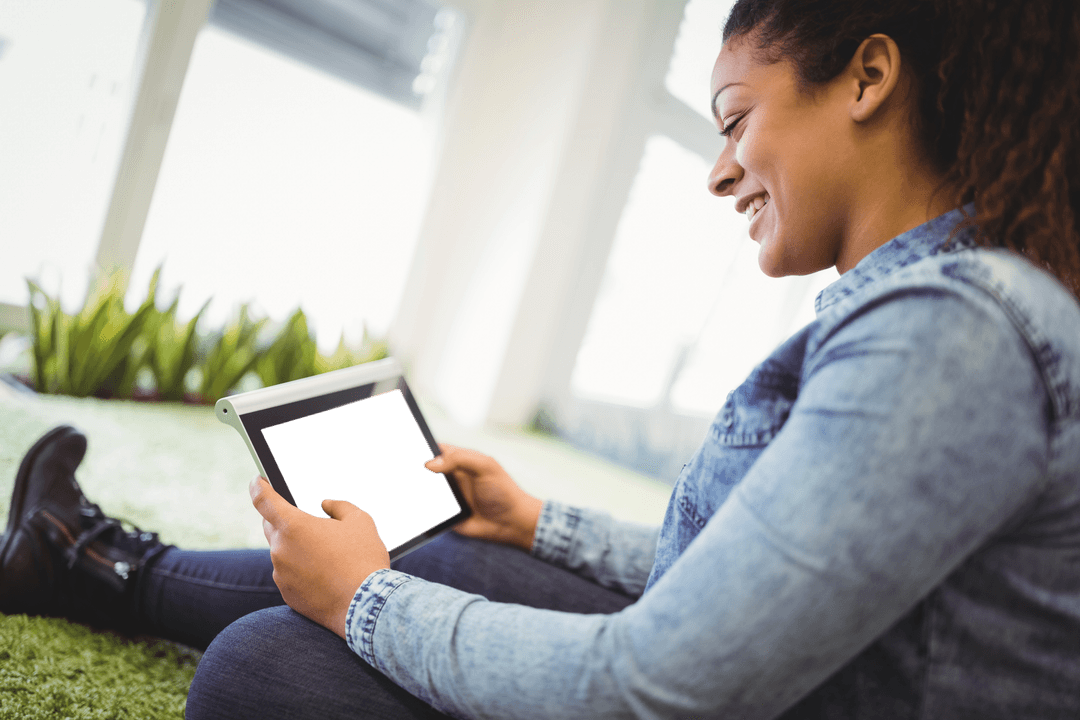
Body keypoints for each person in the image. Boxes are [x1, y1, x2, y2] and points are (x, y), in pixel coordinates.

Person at [2, 0, 1079, 716]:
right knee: (455, 556)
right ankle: (88, 556)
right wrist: (536, 521)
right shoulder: (945, 304)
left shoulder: (954, 336)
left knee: (269, 669)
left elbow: (652, 686)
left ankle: (88, 558)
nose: (719, 172)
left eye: (736, 118)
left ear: (869, 77)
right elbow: (740, 571)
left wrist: (363, 603)